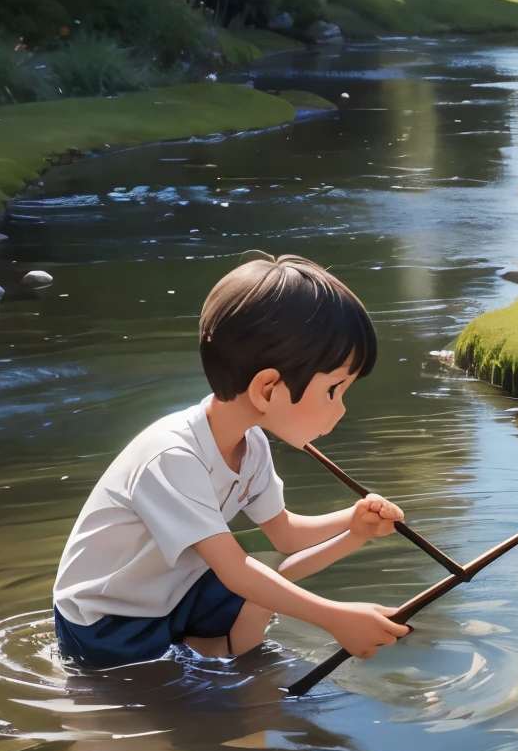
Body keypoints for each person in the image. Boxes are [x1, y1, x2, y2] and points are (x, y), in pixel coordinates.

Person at [53, 254, 411, 669]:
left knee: (260, 590)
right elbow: (234, 569)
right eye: (333, 391)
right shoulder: (173, 458)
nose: (341, 409)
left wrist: (353, 526)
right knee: (152, 699)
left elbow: (286, 537)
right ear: (267, 388)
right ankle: (222, 681)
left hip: (176, 592)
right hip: (107, 619)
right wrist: (335, 619)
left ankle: (234, 669)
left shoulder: (252, 445)